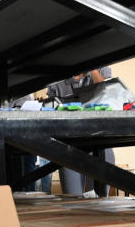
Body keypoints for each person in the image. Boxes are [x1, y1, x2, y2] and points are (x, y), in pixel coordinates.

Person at [47, 68, 116, 196]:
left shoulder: (102, 67)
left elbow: (107, 92)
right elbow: (50, 106)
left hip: (100, 140)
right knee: (72, 197)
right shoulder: (57, 77)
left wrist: (93, 69)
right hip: (68, 142)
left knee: (99, 199)